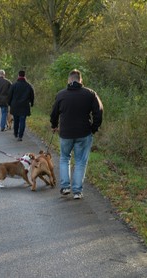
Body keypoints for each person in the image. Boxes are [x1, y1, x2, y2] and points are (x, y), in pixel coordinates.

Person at [50, 69, 103, 200]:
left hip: (66, 133)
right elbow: (99, 112)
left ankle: (65, 187)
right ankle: (77, 191)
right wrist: (94, 128)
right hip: (84, 133)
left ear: (69, 80)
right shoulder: (90, 94)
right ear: (81, 80)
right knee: (80, 162)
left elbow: (54, 113)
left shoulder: (61, 94)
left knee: (64, 159)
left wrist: (54, 125)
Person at [8, 70, 34, 141]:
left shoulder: (14, 85)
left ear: (18, 76)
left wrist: (9, 103)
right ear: (25, 76)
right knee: (22, 121)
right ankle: (20, 136)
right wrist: (31, 103)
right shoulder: (28, 86)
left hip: (15, 106)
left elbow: (9, 95)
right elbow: (32, 96)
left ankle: (15, 133)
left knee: (16, 120)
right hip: (24, 106)